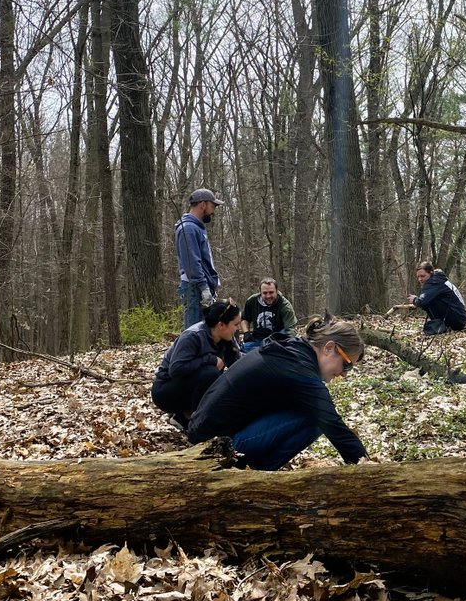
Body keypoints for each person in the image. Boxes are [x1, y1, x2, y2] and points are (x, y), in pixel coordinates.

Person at [187, 316, 369, 470]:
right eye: (346, 364)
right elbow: (331, 422)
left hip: (206, 434)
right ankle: (254, 474)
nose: (344, 373)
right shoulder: (300, 368)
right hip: (216, 448)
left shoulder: (293, 351)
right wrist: (364, 464)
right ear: (329, 348)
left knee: (311, 409)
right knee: (316, 418)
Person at [151, 299, 242, 431]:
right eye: (236, 324)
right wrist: (210, 359)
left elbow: (237, 364)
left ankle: (182, 418)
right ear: (221, 325)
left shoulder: (226, 336)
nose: (238, 328)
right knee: (209, 373)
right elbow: (176, 369)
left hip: (186, 386)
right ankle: (197, 425)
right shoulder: (193, 336)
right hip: (166, 391)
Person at [175, 188, 224, 329]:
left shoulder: (196, 228)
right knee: (194, 332)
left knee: (203, 332)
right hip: (194, 288)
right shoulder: (188, 229)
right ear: (203, 204)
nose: (213, 211)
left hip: (200, 286)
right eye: (212, 206)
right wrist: (203, 287)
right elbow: (192, 262)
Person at [408, 261, 466, 335]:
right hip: (460, 318)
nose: (420, 279)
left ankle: (439, 324)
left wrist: (414, 299)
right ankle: (438, 323)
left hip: (457, 320)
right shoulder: (438, 280)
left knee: (428, 300)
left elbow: (421, 302)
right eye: (418, 277)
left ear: (431, 273)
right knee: (429, 300)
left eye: (422, 276)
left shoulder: (434, 282)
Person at [240, 279, 298, 351]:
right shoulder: (252, 301)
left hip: (277, 339)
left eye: (271, 292)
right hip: (258, 339)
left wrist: (289, 344)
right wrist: (246, 332)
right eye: (265, 293)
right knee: (245, 348)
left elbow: (290, 329)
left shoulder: (285, 306)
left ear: (276, 291)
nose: (268, 296)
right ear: (260, 292)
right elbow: (244, 319)